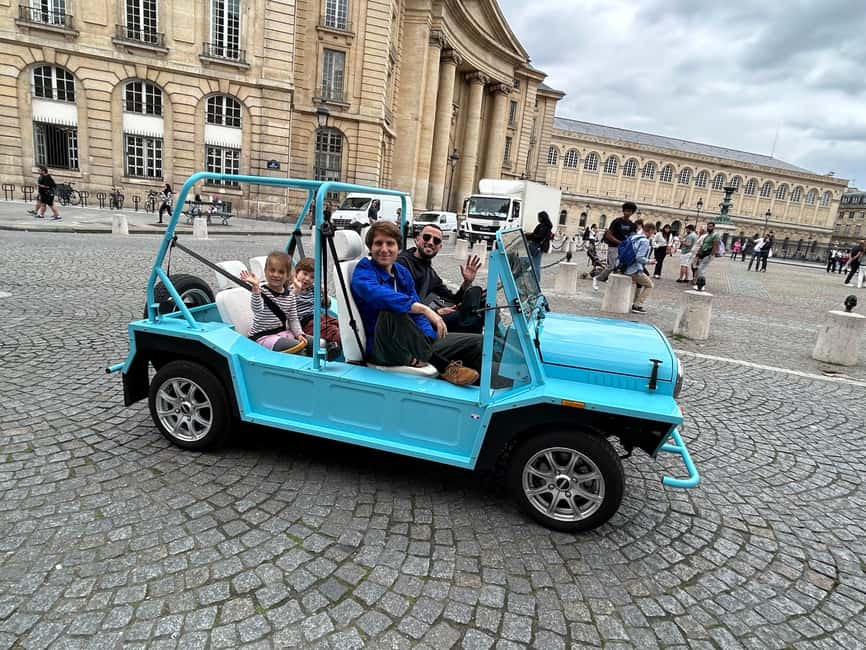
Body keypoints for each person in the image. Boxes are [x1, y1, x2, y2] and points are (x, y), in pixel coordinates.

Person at [351, 221, 482, 386]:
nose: (384, 249)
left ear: (398, 248)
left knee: (478, 342)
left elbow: (418, 313)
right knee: (392, 310)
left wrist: (427, 338)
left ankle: (476, 395)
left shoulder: (402, 273)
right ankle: (444, 366)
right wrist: (424, 309)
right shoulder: (364, 270)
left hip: (412, 343)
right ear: (370, 247)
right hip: (383, 347)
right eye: (378, 243)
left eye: (390, 244)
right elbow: (377, 295)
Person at [396, 224, 484, 334]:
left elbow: (452, 299)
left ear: (440, 247)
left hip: (426, 318)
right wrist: (435, 312)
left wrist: (467, 282)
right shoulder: (402, 263)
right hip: (412, 326)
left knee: (481, 307)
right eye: (426, 237)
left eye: (436, 241)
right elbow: (401, 303)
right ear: (417, 240)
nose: (431, 242)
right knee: (473, 322)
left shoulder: (430, 272)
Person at [239, 252, 306, 353]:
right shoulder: (261, 291)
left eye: (281, 272)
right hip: (263, 336)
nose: (276, 275)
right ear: (265, 271)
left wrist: (299, 334)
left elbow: (293, 319)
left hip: (282, 333)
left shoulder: (290, 295)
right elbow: (257, 309)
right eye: (272, 270)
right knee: (298, 347)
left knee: (314, 343)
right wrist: (256, 289)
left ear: (288, 275)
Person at [291, 257, 341, 356]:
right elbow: (287, 304)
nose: (307, 279)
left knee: (341, 324)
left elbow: (326, 306)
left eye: (312, 277)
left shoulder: (313, 289)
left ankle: (344, 341)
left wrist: (323, 293)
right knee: (332, 331)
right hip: (305, 322)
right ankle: (343, 344)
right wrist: (296, 290)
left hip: (320, 317)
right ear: (296, 273)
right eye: (305, 274)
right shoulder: (291, 289)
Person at [593, 202, 637, 290]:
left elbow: (632, 237)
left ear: (632, 213)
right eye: (626, 211)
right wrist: (619, 242)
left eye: (630, 211)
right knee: (611, 266)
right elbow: (608, 235)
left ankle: (615, 285)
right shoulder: (617, 222)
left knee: (621, 267)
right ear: (623, 211)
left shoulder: (632, 225)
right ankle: (597, 278)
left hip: (624, 248)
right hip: (613, 246)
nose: (627, 213)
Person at [623, 222, 656, 313]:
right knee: (650, 285)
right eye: (653, 232)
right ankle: (637, 305)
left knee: (641, 282)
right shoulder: (645, 241)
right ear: (650, 231)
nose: (653, 234)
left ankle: (635, 303)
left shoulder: (635, 237)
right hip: (634, 268)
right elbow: (639, 258)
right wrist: (650, 261)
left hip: (625, 266)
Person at [526, 210, 554, 281]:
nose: (538, 219)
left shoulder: (543, 226)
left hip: (538, 247)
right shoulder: (547, 226)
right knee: (535, 263)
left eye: (538, 217)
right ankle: (535, 278)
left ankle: (536, 280)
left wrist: (528, 235)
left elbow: (539, 237)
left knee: (536, 264)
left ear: (541, 218)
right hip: (541, 247)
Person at [693, 222, 721, 291]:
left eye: (710, 226)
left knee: (701, 268)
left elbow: (716, 245)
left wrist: (711, 255)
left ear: (714, 227)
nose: (709, 228)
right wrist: (698, 253)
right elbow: (703, 245)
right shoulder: (707, 235)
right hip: (703, 253)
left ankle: (701, 284)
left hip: (708, 254)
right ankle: (699, 284)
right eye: (708, 226)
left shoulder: (715, 235)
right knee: (700, 268)